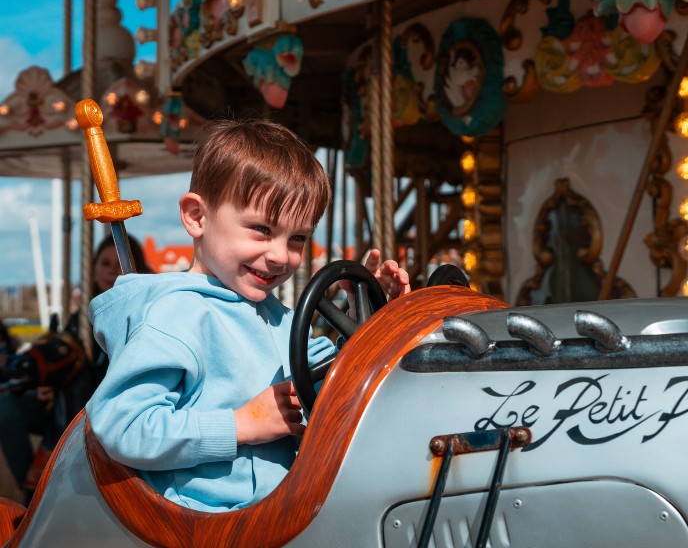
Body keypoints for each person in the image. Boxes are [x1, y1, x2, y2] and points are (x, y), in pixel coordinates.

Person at [86, 119, 410, 513]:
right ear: (197, 217)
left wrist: (370, 315)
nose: (280, 255)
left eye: (297, 238)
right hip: (205, 523)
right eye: (261, 229)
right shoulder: (174, 316)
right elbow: (123, 426)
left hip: (282, 511)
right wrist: (241, 424)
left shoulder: (281, 320)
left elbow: (334, 390)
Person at [0, 234, 149, 502]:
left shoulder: (143, 312)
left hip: (111, 404)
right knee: (7, 409)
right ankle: (34, 486)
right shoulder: (82, 317)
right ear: (93, 268)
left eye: (119, 263)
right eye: (105, 264)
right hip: (70, 402)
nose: (112, 271)